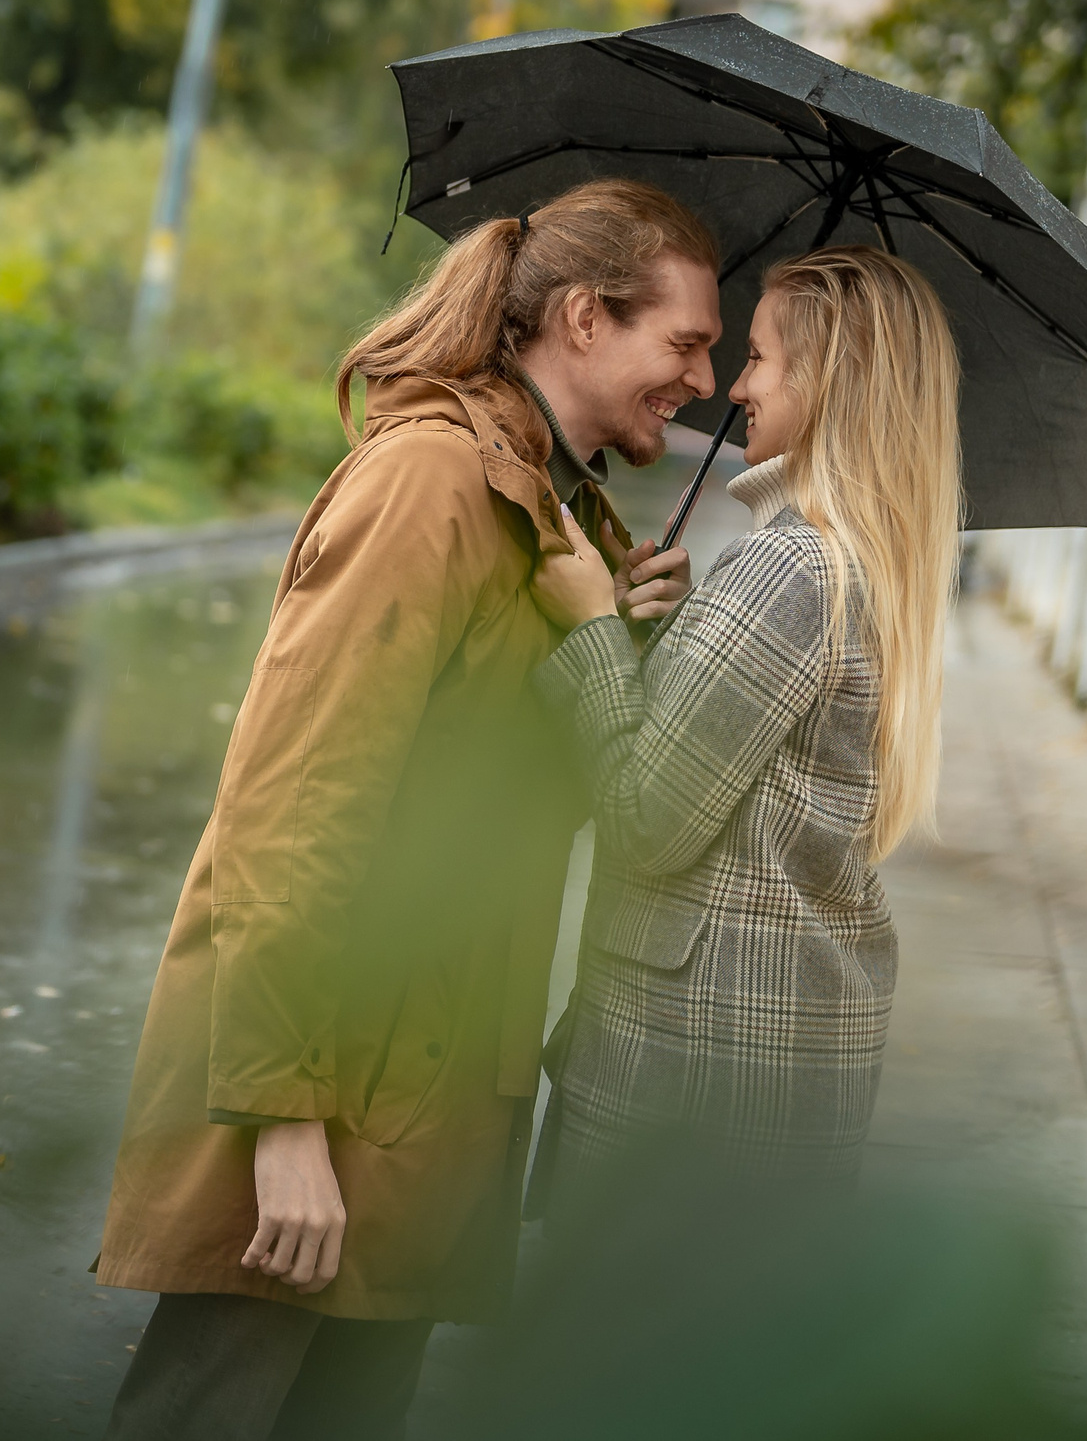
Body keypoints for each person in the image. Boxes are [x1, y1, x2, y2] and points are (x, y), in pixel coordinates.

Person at [94, 178, 720, 1439]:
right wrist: (278, 1120)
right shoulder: (431, 483)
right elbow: (293, 801)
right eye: (687, 342)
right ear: (586, 319)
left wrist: (617, 647)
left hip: (428, 1103)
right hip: (332, 1095)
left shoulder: (552, 510)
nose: (701, 380)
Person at [527, 245, 963, 1197]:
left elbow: (647, 818)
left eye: (760, 356)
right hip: (773, 1052)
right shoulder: (854, 560)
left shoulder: (792, 566)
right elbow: (756, 765)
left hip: (698, 1070)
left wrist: (593, 626)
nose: (735, 384)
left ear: (828, 379)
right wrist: (684, 631)